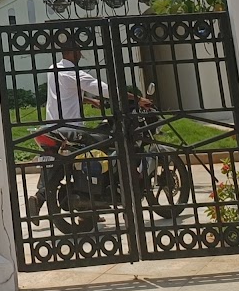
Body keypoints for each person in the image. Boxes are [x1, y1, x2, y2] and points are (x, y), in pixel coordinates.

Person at [27, 46, 149, 220]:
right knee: (104, 148)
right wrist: (138, 99)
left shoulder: (53, 69)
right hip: (71, 129)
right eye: (79, 52)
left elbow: (64, 94)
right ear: (72, 52)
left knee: (61, 162)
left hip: (53, 127)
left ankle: (43, 199)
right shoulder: (73, 72)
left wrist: (88, 100)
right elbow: (104, 89)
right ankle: (104, 199)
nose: (81, 55)